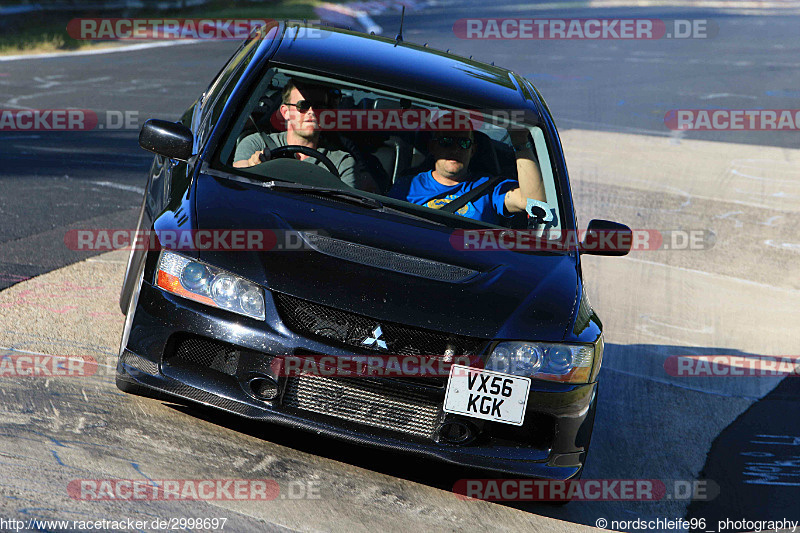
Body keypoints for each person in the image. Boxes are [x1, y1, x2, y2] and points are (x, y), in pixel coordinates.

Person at [233, 79, 377, 191]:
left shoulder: (341, 162)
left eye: (319, 106)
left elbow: (345, 210)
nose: (311, 112)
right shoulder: (257, 143)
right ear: (285, 112)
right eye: (303, 105)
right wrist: (252, 167)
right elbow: (233, 179)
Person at [387, 125, 546, 225]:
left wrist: (520, 143)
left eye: (464, 143)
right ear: (432, 146)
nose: (455, 149)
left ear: (473, 150)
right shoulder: (408, 186)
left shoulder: (490, 188)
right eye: (446, 141)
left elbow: (534, 203)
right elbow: (390, 226)